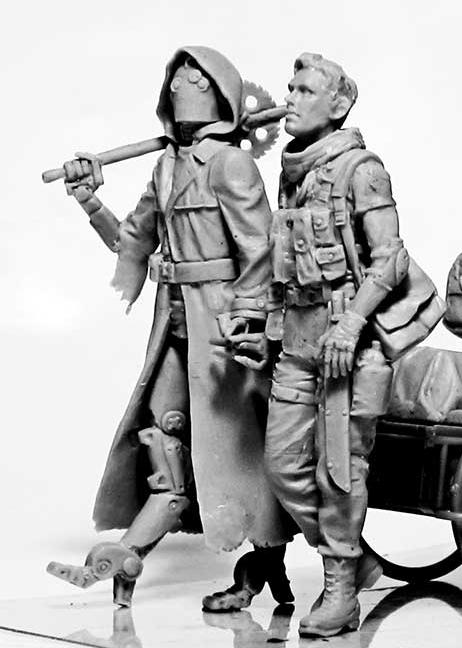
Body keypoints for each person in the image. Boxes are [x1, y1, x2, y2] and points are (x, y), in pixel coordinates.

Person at [49, 46, 294, 610]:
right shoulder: (165, 167)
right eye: (177, 78)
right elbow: (130, 242)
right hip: (175, 324)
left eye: (196, 78)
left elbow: (261, 249)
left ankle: (263, 564)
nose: (182, 84)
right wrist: (89, 200)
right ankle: (126, 558)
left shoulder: (231, 165)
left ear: (220, 95)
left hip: (224, 330)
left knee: (241, 451)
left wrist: (250, 317)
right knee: (164, 439)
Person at [263, 52, 443, 637]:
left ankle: (340, 589)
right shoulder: (293, 172)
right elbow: (284, 260)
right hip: (298, 339)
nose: (290, 98)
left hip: (351, 343)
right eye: (290, 88)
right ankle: (356, 559)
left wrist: (351, 325)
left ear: (337, 105)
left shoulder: (362, 170)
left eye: (304, 91)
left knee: (339, 469)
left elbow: (390, 258)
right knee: (283, 466)